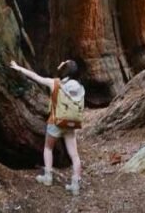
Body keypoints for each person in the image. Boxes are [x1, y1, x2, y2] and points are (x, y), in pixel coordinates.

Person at [9, 59, 85, 196]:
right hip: (71, 124)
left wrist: (18, 67)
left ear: (65, 69)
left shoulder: (55, 83)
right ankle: (75, 185)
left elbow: (35, 77)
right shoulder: (79, 87)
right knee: (74, 155)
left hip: (55, 122)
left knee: (48, 148)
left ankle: (48, 177)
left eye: (64, 62)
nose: (61, 62)